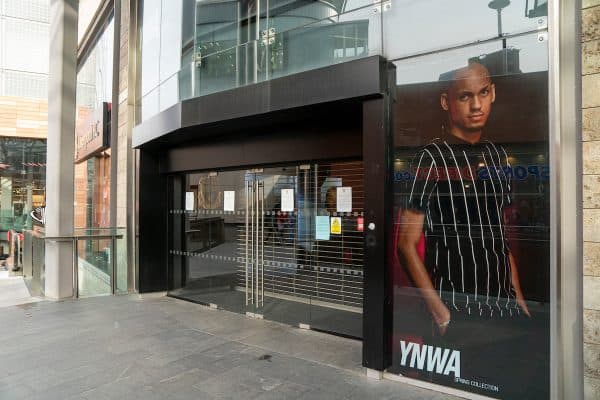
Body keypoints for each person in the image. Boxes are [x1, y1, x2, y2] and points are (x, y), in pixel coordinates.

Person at [397, 61, 547, 398]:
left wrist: (519, 299)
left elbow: (499, 237)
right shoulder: (431, 158)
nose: (476, 105)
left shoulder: (497, 156)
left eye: (482, 93)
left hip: (506, 311)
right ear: (446, 102)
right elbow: (406, 244)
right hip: (460, 312)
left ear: (493, 93)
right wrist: (442, 313)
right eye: (465, 96)